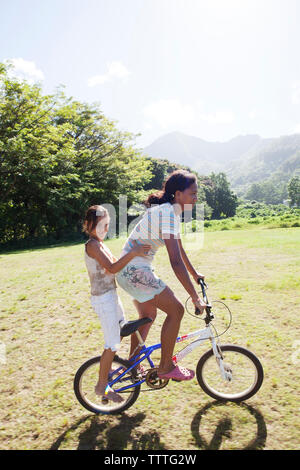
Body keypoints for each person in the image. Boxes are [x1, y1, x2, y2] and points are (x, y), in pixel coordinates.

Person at [116, 170, 207, 382]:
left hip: (131, 270)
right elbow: (174, 261)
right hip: (134, 271)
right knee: (176, 311)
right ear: (178, 194)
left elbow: (179, 250)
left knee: (148, 316)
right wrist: (195, 297)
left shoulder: (169, 212)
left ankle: (132, 365)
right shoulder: (167, 213)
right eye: (192, 193)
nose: (195, 198)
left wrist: (194, 274)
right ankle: (165, 366)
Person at [83, 205, 151, 403]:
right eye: (100, 225)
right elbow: (112, 267)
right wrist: (134, 252)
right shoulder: (92, 245)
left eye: (107, 225)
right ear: (88, 225)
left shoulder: (101, 244)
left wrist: (138, 259)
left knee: (119, 335)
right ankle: (101, 386)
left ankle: (108, 369)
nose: (105, 229)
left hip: (110, 296)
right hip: (103, 300)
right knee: (111, 344)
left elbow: (118, 264)